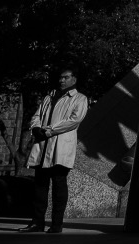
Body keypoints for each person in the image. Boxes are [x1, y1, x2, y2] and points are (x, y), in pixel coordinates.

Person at [19, 66, 89, 233]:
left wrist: (49, 130)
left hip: (60, 148)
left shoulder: (80, 99)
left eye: (65, 77)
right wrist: (36, 128)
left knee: (59, 186)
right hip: (42, 146)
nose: (61, 80)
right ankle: (37, 222)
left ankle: (56, 224)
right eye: (60, 77)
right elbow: (36, 116)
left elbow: (74, 120)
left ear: (74, 79)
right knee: (40, 187)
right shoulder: (48, 97)